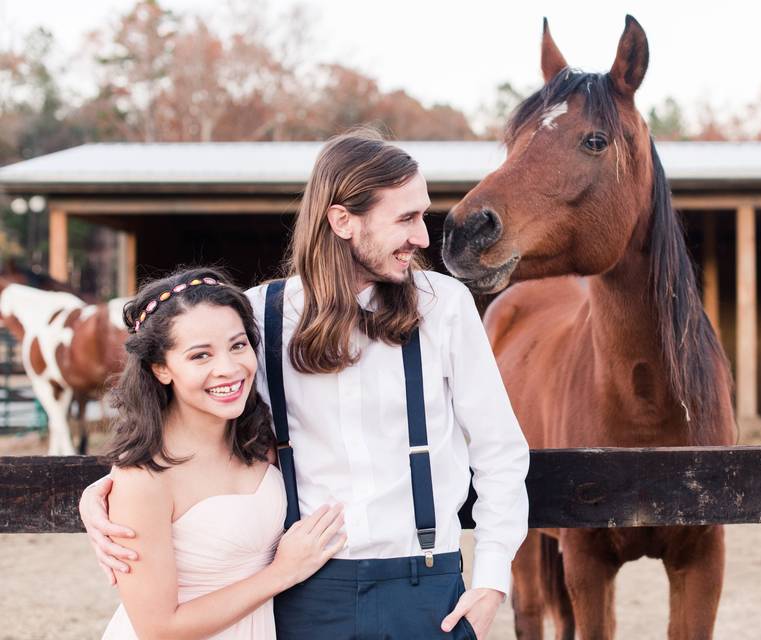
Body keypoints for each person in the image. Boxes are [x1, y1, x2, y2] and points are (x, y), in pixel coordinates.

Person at [81, 132, 531, 639]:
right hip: (303, 593)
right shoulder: (257, 315)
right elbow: (189, 424)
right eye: (405, 219)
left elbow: (500, 452)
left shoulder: (442, 305)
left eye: (422, 215)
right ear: (342, 220)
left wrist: (492, 580)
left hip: (427, 589)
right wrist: (111, 492)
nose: (423, 238)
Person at [97, 268, 346, 640]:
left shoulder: (261, 442)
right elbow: (158, 627)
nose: (228, 369)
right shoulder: (142, 478)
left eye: (238, 345)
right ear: (161, 368)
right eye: (200, 356)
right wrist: (283, 572)